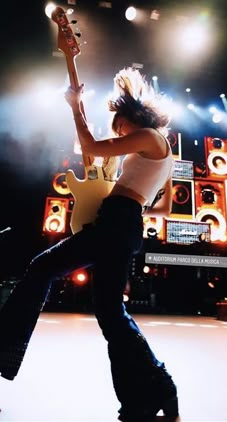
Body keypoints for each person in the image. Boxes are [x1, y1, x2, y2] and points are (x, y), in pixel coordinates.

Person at [0, 67, 178, 421]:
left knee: (43, 268)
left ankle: (4, 347)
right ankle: (150, 394)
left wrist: (75, 107)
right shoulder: (163, 151)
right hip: (124, 223)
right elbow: (166, 206)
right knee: (111, 315)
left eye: (120, 127)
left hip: (116, 223)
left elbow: (93, 147)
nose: (121, 133)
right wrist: (134, 201)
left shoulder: (149, 137)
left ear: (132, 118)